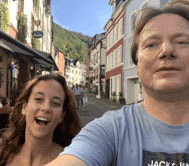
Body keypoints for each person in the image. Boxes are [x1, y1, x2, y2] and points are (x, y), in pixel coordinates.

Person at [45, 1, 189, 165]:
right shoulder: (110, 130)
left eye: (181, 41)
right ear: (137, 65)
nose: (166, 50)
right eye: (151, 44)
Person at [0, 74, 82, 166]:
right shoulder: (5, 155)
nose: (46, 108)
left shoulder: (70, 162)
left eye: (55, 103)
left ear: (62, 116)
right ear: (25, 107)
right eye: (38, 99)